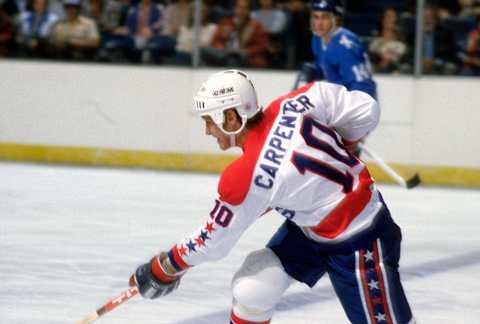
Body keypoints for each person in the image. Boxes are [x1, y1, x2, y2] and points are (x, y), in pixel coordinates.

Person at [129, 69, 415, 324]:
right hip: (313, 228)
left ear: (230, 117)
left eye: (209, 121)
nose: (207, 131)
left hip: (360, 239)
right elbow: (366, 110)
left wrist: (166, 266)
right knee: (252, 288)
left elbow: (214, 242)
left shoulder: (246, 174)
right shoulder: (298, 100)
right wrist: (343, 147)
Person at [307, 0, 377, 99]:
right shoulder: (317, 39)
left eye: (325, 17)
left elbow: (362, 87)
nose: (319, 23)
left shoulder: (345, 44)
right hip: (338, 100)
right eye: (316, 17)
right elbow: (327, 70)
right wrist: (314, 72)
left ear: (337, 19)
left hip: (357, 101)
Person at [200, 0, 269, 68]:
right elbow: (215, 41)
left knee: (232, 61)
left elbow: (261, 46)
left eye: (244, 8)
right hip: (225, 52)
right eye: (239, 7)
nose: (241, 11)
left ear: (249, 11)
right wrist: (222, 46)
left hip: (243, 56)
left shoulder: (255, 26)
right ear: (235, 8)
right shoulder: (226, 23)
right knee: (203, 50)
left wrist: (247, 51)